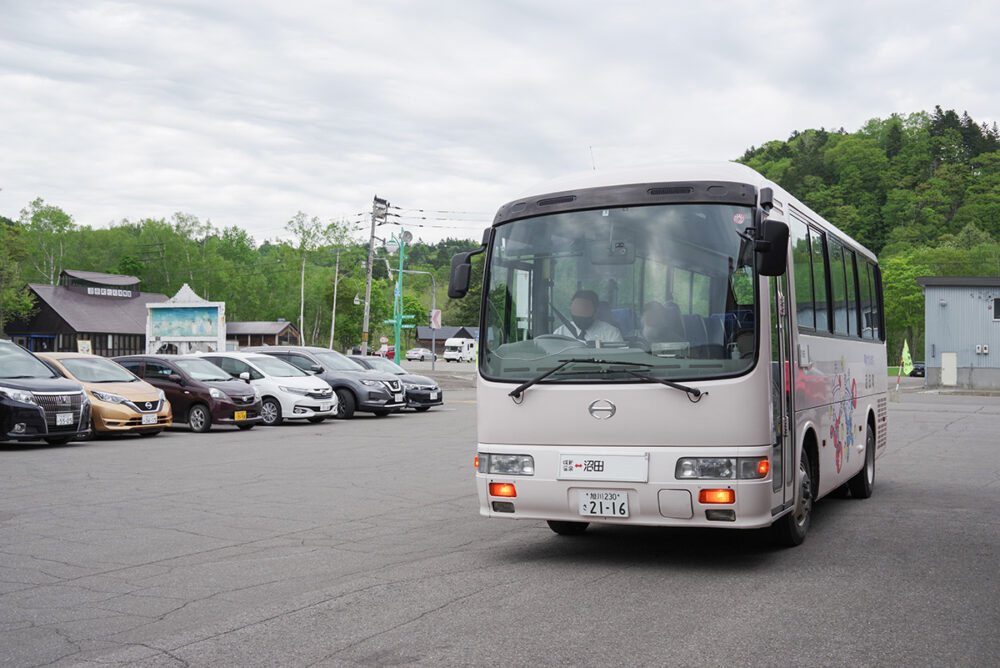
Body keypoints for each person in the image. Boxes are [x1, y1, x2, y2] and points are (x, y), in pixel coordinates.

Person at [553, 289, 623, 343]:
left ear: (596, 312)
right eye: (576, 317)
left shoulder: (611, 334)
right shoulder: (560, 334)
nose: (580, 320)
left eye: (584, 318)